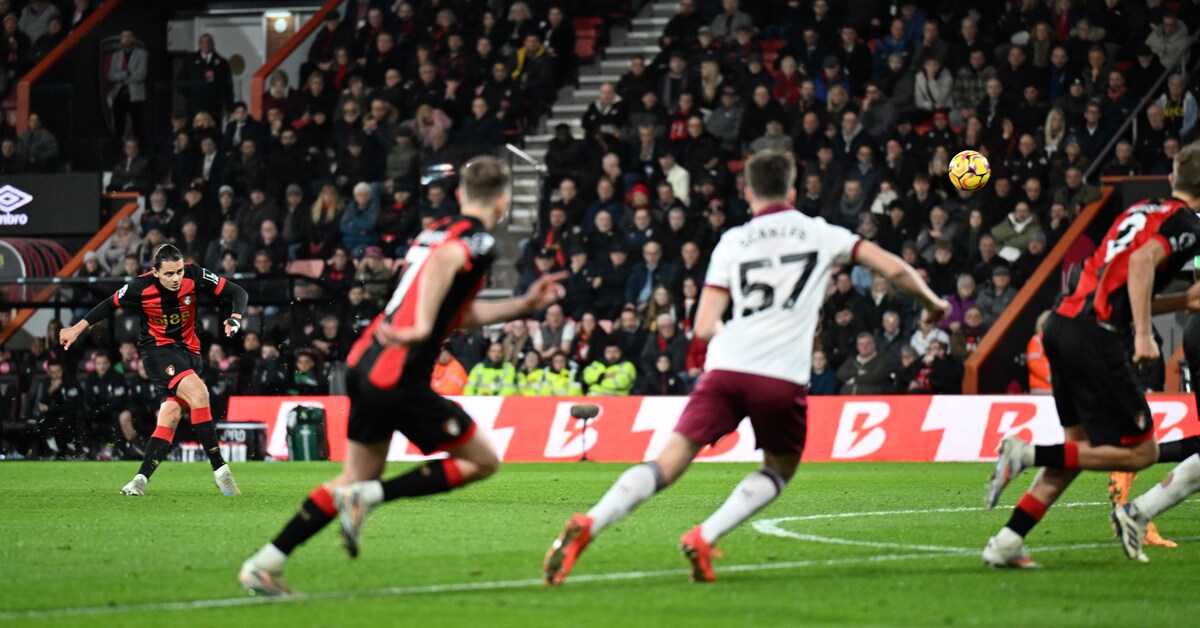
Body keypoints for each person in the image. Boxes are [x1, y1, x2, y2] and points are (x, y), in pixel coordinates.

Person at [543, 150, 950, 586]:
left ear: (747, 191)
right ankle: (706, 535)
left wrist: (738, 337)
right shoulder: (822, 233)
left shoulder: (732, 241)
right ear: (793, 189)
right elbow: (895, 269)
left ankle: (591, 522)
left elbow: (702, 327)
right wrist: (934, 304)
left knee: (667, 464)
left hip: (727, 366)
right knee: (779, 468)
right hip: (780, 375)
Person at [239, 157, 567, 596]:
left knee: (355, 476)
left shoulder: (434, 231)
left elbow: (461, 311)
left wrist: (522, 306)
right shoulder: (478, 240)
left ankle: (265, 563)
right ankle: (369, 499)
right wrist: (422, 327)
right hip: (399, 372)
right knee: (482, 460)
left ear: (458, 194)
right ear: (504, 202)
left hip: (366, 360)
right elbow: (442, 270)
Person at [983, 143, 1200, 568]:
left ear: (1173, 179)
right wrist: (1142, 335)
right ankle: (1026, 454)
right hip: (1095, 335)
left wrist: (1185, 300)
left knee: (1076, 450)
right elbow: (1141, 265)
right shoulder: (1187, 223)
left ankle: (1007, 541)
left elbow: (1122, 280)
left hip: (1063, 323)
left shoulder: (1143, 209)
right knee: (1142, 453)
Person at [59, 244, 248, 496]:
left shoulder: (195, 274)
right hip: (157, 353)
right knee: (200, 394)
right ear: (155, 272)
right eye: (169, 274)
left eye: (179, 271)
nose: (176, 278)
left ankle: (139, 480)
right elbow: (108, 304)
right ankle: (220, 469)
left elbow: (238, 292)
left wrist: (235, 317)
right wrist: (76, 328)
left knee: (170, 416)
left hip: (190, 354)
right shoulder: (140, 286)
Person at [107, 30, 147, 142]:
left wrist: (122, 77)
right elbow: (111, 75)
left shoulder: (141, 53)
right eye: (124, 36)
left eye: (129, 36)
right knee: (118, 127)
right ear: (121, 39)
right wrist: (126, 73)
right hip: (119, 93)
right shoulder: (116, 55)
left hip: (135, 95)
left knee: (138, 127)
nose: (126, 38)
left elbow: (141, 74)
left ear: (133, 38)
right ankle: (117, 153)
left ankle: (141, 153)